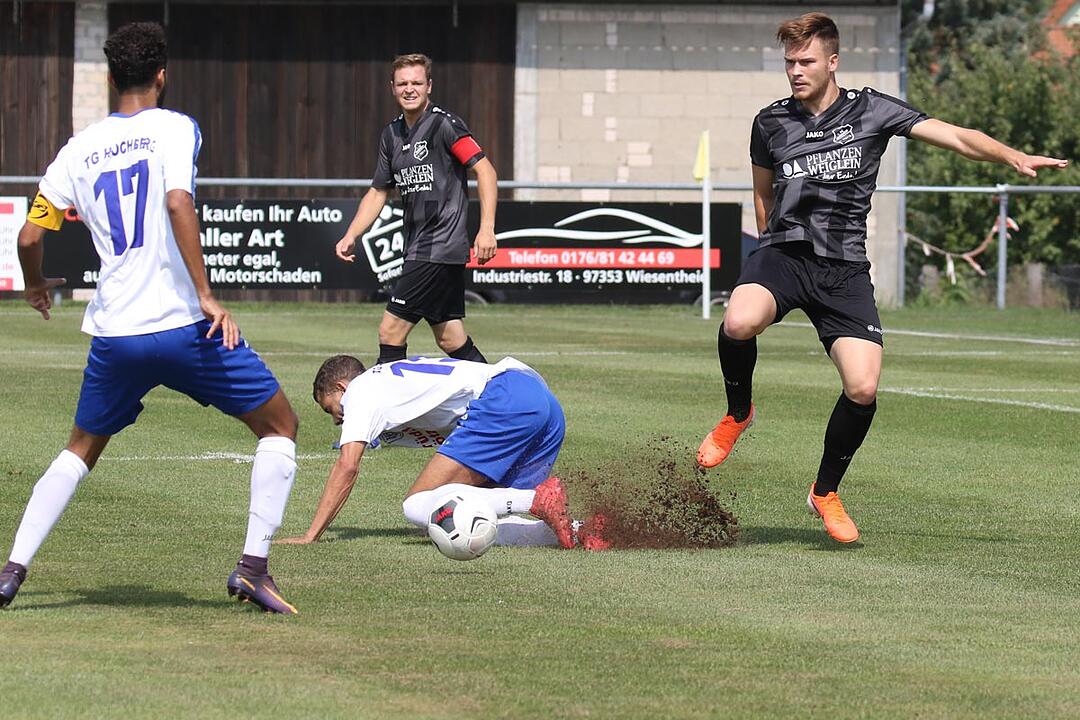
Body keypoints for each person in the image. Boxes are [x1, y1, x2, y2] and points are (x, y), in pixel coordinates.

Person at [697, 12, 1068, 543]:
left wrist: (1010, 155)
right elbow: (763, 193)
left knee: (863, 386)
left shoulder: (872, 109)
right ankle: (738, 414)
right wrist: (768, 251)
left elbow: (957, 137)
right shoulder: (770, 121)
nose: (796, 71)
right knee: (738, 321)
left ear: (832, 61)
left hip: (844, 265)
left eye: (806, 61)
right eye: (789, 62)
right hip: (785, 254)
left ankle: (824, 491)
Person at [0, 22, 302, 614]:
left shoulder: (77, 149)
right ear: (161, 75)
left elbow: (31, 234)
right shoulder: (176, 127)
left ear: (111, 77)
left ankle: (12, 571)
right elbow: (176, 201)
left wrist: (35, 285)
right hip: (184, 326)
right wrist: (208, 295)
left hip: (116, 333)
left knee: (80, 449)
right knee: (280, 426)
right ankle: (252, 568)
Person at [278, 354, 603, 550]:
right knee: (474, 519)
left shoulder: (360, 392)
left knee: (419, 506)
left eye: (330, 409)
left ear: (341, 388)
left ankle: (535, 499)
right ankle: (585, 530)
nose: (336, 419)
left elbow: (347, 467)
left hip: (505, 399)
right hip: (538, 399)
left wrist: (311, 535)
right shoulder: (387, 384)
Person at [334, 53, 498, 366]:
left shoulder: (445, 126)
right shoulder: (391, 135)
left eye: (417, 83)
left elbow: (486, 171)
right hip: (420, 247)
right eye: (403, 83)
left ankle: (388, 412)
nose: (410, 89)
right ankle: (497, 395)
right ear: (392, 88)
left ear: (429, 86)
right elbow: (378, 190)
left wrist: (487, 228)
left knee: (391, 331)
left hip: (437, 246)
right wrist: (351, 234)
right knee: (450, 338)